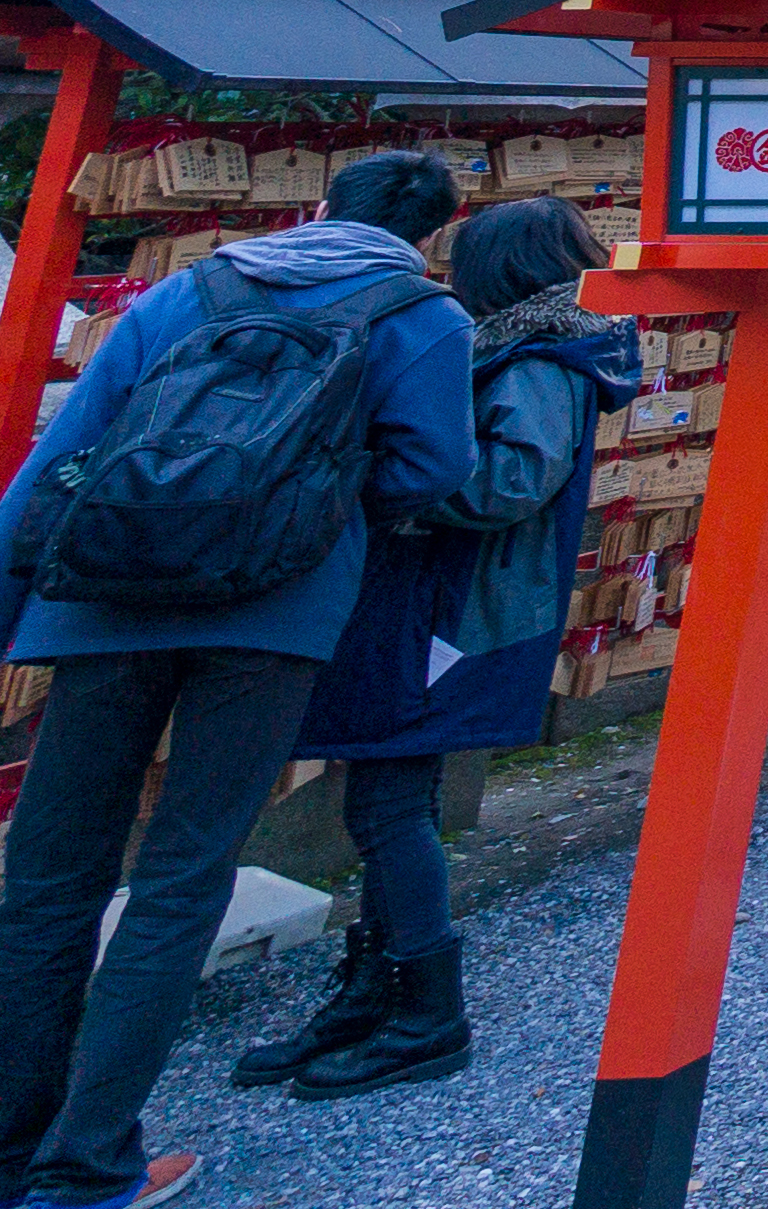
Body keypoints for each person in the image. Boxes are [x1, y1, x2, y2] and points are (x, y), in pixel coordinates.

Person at [0, 151, 473, 1209]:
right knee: (180, 879)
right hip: (272, 613)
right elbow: (432, 470)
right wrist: (314, 499)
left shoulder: (188, 289)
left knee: (46, 880)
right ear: (435, 233)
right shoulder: (421, 317)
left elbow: (68, 448)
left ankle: (5, 1151)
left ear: (319, 208)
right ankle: (84, 1169)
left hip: (106, 596)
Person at [243, 198, 640, 1102]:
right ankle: (376, 990)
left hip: (460, 609)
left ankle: (427, 1011)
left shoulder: (539, 355)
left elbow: (513, 478)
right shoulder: (525, 342)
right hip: (446, 601)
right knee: (392, 796)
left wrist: (380, 485)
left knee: (388, 802)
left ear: (492, 269)